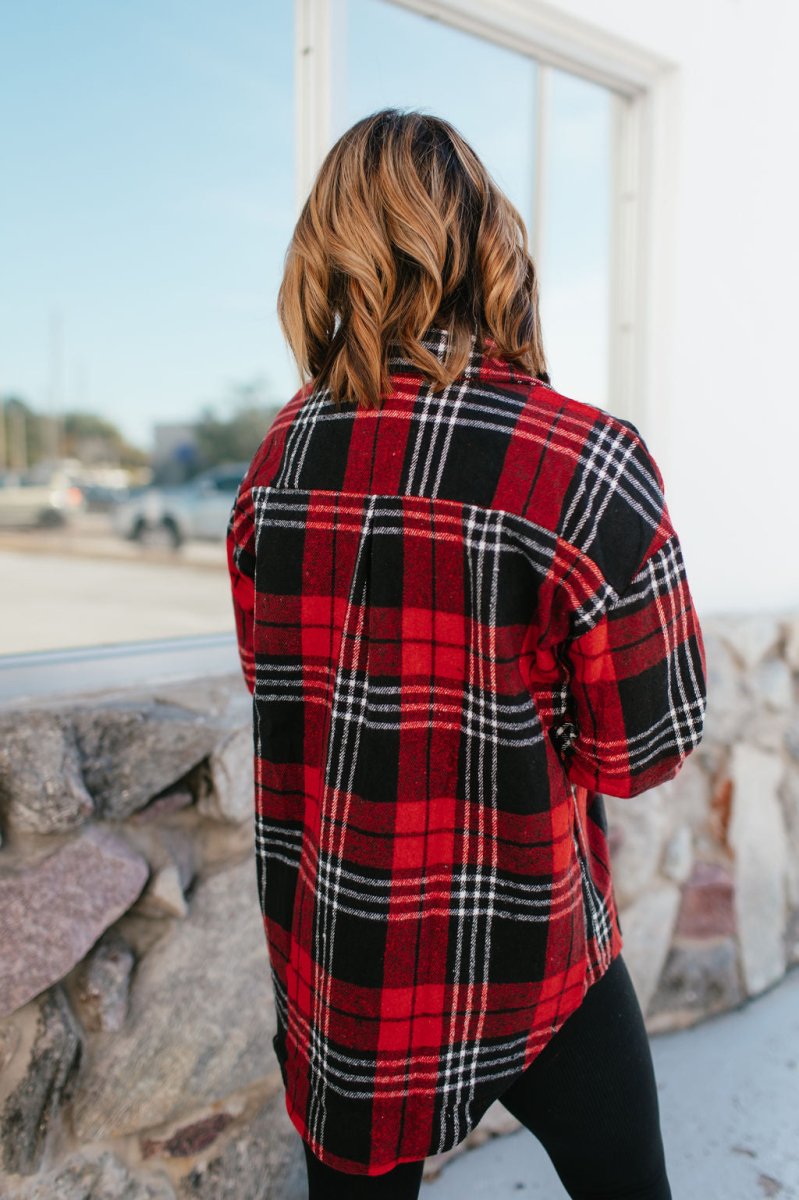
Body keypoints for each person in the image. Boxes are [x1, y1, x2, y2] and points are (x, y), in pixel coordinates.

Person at [226, 108, 707, 1199]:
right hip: (537, 947)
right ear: (489, 241)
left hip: (354, 972)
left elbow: (284, 691)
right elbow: (642, 751)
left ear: (325, 253)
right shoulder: (582, 461)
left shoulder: (277, 462)